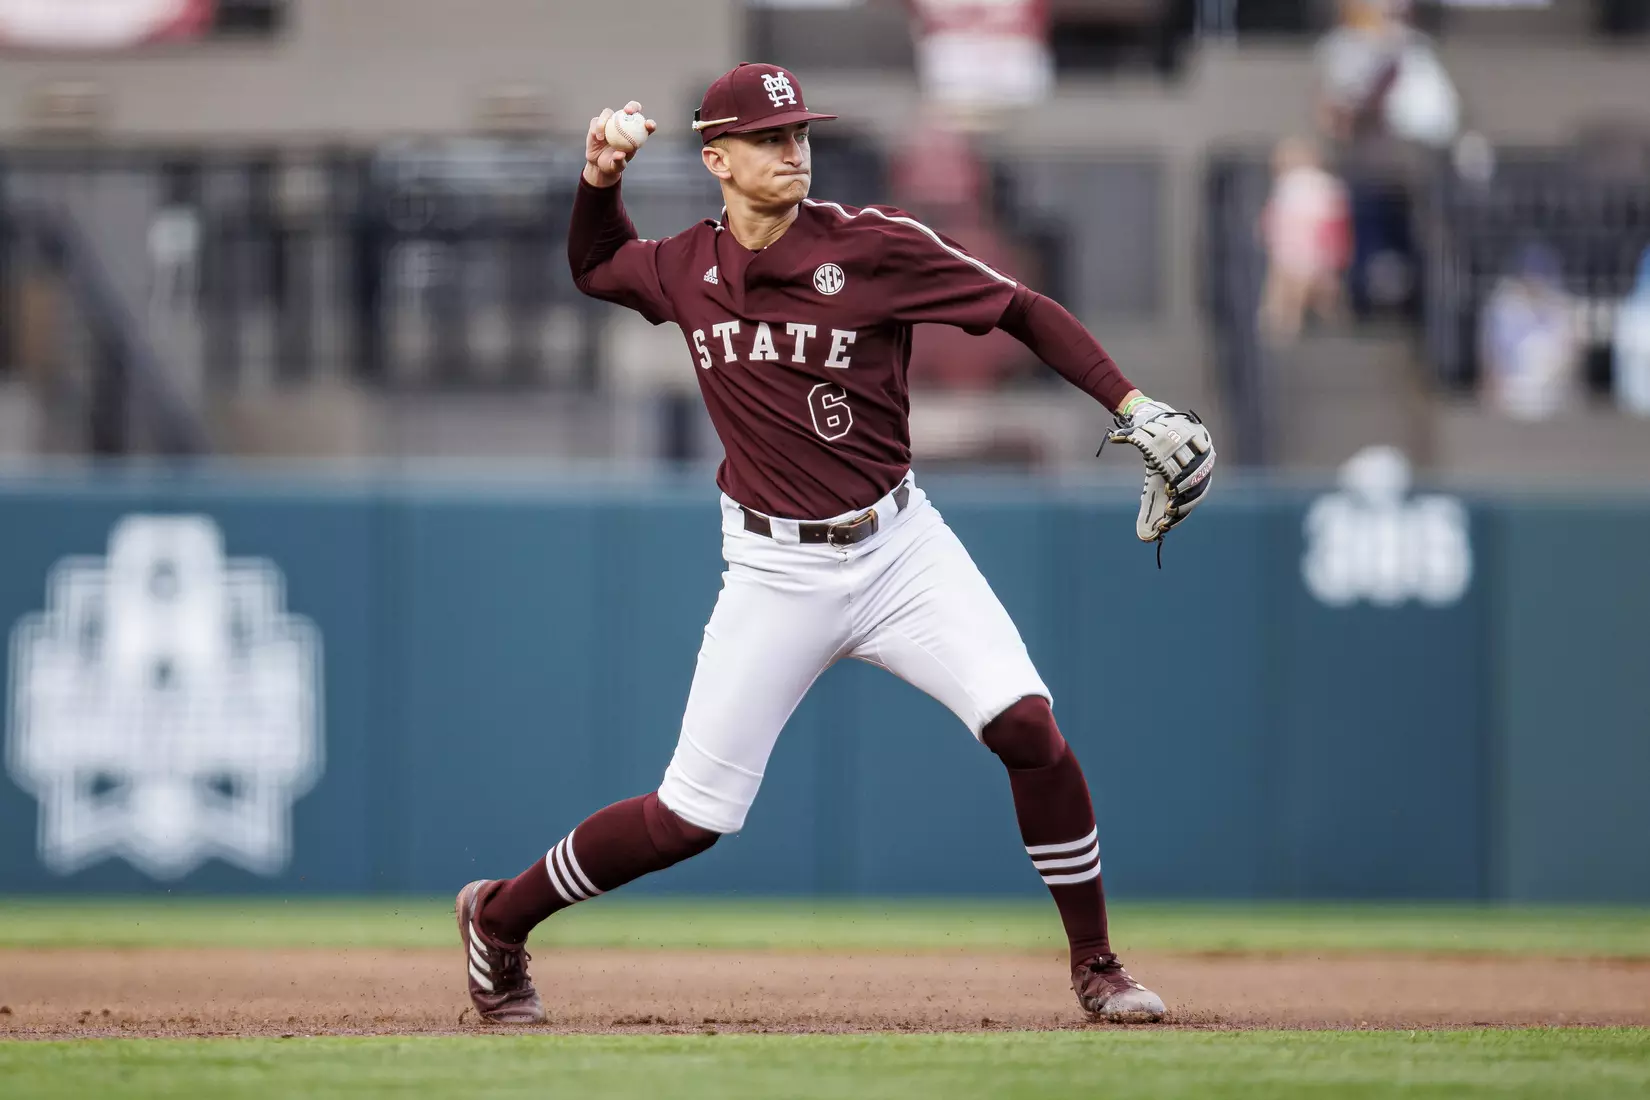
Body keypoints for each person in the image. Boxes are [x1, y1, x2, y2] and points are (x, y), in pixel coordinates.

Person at [454, 63, 1214, 1026]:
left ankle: (1098, 965)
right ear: (716, 157)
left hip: (900, 549)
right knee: (690, 818)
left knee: (1028, 726)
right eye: (770, 138)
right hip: (775, 569)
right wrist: (598, 179)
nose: (793, 151)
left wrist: (1131, 403)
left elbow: (1020, 308)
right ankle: (499, 920)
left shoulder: (873, 247)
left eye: (801, 133)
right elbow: (598, 266)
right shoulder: (685, 266)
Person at [1258, 137, 1352, 345]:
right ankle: (1285, 322)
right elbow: (1274, 218)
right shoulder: (1295, 185)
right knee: (1291, 285)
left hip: (1306, 247)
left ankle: (1290, 321)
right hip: (1299, 247)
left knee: (1306, 286)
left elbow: (1334, 222)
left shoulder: (1311, 186)